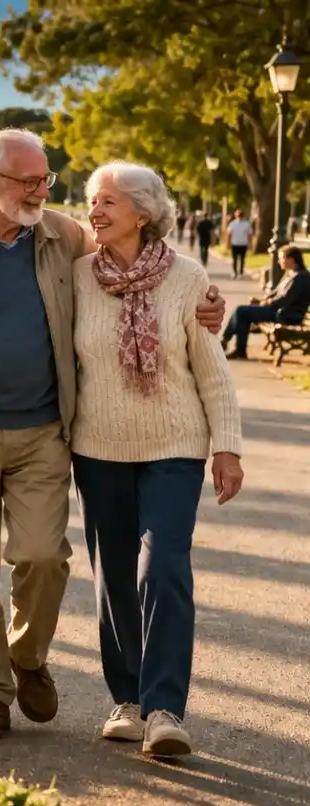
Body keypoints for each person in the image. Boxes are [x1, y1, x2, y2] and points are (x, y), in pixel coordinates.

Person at [0, 128, 226, 740]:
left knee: (43, 558)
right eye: (30, 181)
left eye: (47, 180)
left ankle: (27, 656)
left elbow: (138, 261)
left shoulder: (62, 234)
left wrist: (205, 304)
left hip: (45, 432)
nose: (45, 191)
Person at [71, 162, 243, 757]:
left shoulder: (188, 279)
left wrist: (227, 446)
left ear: (142, 214)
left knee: (162, 566)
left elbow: (211, 368)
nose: (94, 211)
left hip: (176, 445)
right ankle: (127, 700)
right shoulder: (74, 277)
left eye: (107, 202)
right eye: (92, 201)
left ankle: (166, 707)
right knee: (113, 573)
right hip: (97, 447)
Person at [223, 245, 310, 359]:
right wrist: (261, 300)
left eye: (281, 258)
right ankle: (238, 349)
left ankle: (228, 342)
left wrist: (268, 302)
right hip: (279, 310)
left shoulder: (301, 277)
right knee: (243, 313)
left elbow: (286, 299)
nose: (279, 261)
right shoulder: (291, 274)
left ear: (291, 259)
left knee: (241, 311)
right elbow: (276, 292)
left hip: (287, 315)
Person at [225, 210, 253, 279]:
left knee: (242, 259)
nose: (239, 216)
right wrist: (227, 244)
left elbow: (250, 235)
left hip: (243, 244)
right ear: (235, 215)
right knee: (234, 259)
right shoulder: (232, 223)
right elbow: (229, 234)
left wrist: (250, 244)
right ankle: (235, 272)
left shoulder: (247, 224)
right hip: (235, 244)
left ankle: (240, 273)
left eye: (240, 214)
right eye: (238, 214)